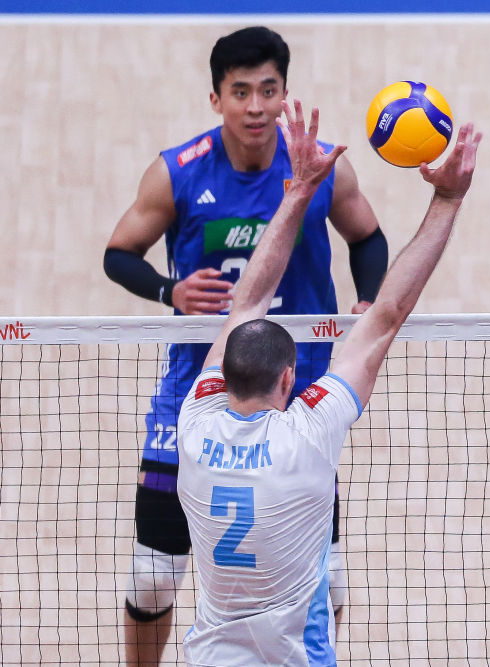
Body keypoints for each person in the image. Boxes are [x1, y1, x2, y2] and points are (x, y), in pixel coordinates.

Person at [103, 26, 387, 665]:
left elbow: (368, 237)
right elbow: (119, 254)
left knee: (326, 583)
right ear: (216, 98)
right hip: (196, 397)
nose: (256, 107)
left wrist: (367, 298)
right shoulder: (177, 172)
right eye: (240, 92)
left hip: (294, 400)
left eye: (268, 90)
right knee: (152, 579)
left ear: (285, 93)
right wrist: (169, 291)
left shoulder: (323, 166)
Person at [176, 100, 481, 665]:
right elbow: (386, 315)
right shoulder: (307, 435)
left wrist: (297, 190)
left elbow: (246, 304)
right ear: (289, 378)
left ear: (222, 378)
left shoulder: (194, 421)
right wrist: (447, 198)